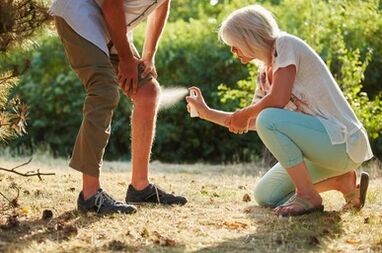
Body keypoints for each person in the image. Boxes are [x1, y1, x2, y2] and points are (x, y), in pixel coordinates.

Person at [186, 5, 373, 216]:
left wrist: (246, 114)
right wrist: (206, 112)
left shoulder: (285, 44)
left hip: (344, 144)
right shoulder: (264, 76)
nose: (232, 51)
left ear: (249, 37)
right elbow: (252, 122)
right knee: (266, 196)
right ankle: (343, 182)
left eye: (234, 44)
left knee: (267, 117)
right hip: (320, 152)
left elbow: (276, 102)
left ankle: (307, 195)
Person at [49, 0, 187, 215]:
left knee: (148, 91)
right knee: (104, 90)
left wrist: (148, 55)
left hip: (112, 23)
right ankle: (90, 196)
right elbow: (111, 4)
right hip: (79, 13)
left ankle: (140, 187)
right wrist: (125, 58)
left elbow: (161, 4)